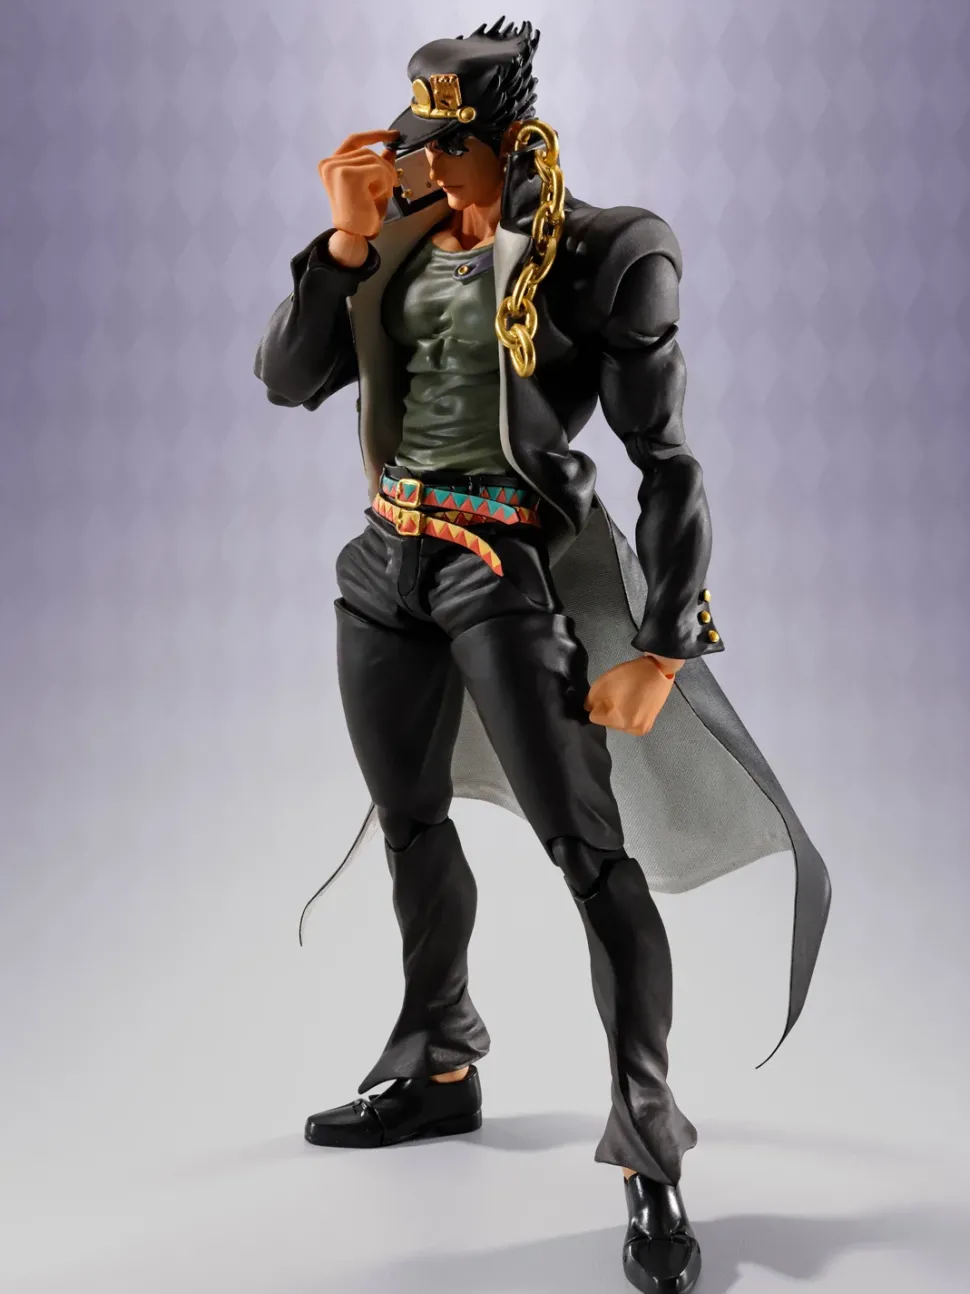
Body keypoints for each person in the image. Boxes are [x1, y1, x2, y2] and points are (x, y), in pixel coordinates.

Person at [254, 19, 831, 1294]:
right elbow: (288, 378)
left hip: (497, 569)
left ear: (512, 141)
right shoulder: (393, 233)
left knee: (589, 856)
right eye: (414, 141)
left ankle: (649, 1150)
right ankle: (439, 1057)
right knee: (408, 819)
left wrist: (663, 647)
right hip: (384, 563)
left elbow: (668, 466)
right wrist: (342, 245)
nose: (423, 164)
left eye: (446, 146)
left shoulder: (602, 255)